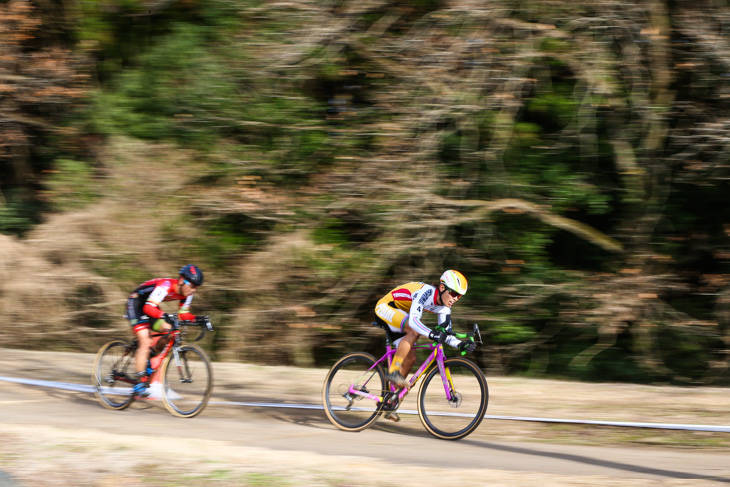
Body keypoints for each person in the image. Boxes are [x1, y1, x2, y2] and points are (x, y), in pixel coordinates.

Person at [375, 270, 475, 391]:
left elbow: (446, 333)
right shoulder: (426, 292)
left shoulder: (445, 308)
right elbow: (413, 321)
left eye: (459, 296)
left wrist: (460, 344)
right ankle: (393, 370)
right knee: (414, 332)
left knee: (410, 359)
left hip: (401, 315)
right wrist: (432, 334)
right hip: (385, 307)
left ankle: (390, 397)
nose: (455, 299)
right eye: (454, 293)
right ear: (442, 287)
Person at [124, 264, 205, 396]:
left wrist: (197, 319)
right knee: (145, 340)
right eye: (192, 285)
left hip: (150, 306)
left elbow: (183, 314)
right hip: (137, 303)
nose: (194, 290)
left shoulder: (187, 293)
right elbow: (148, 309)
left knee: (169, 330)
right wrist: (164, 315)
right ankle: (140, 380)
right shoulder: (165, 285)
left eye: (196, 287)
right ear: (181, 280)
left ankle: (150, 357)